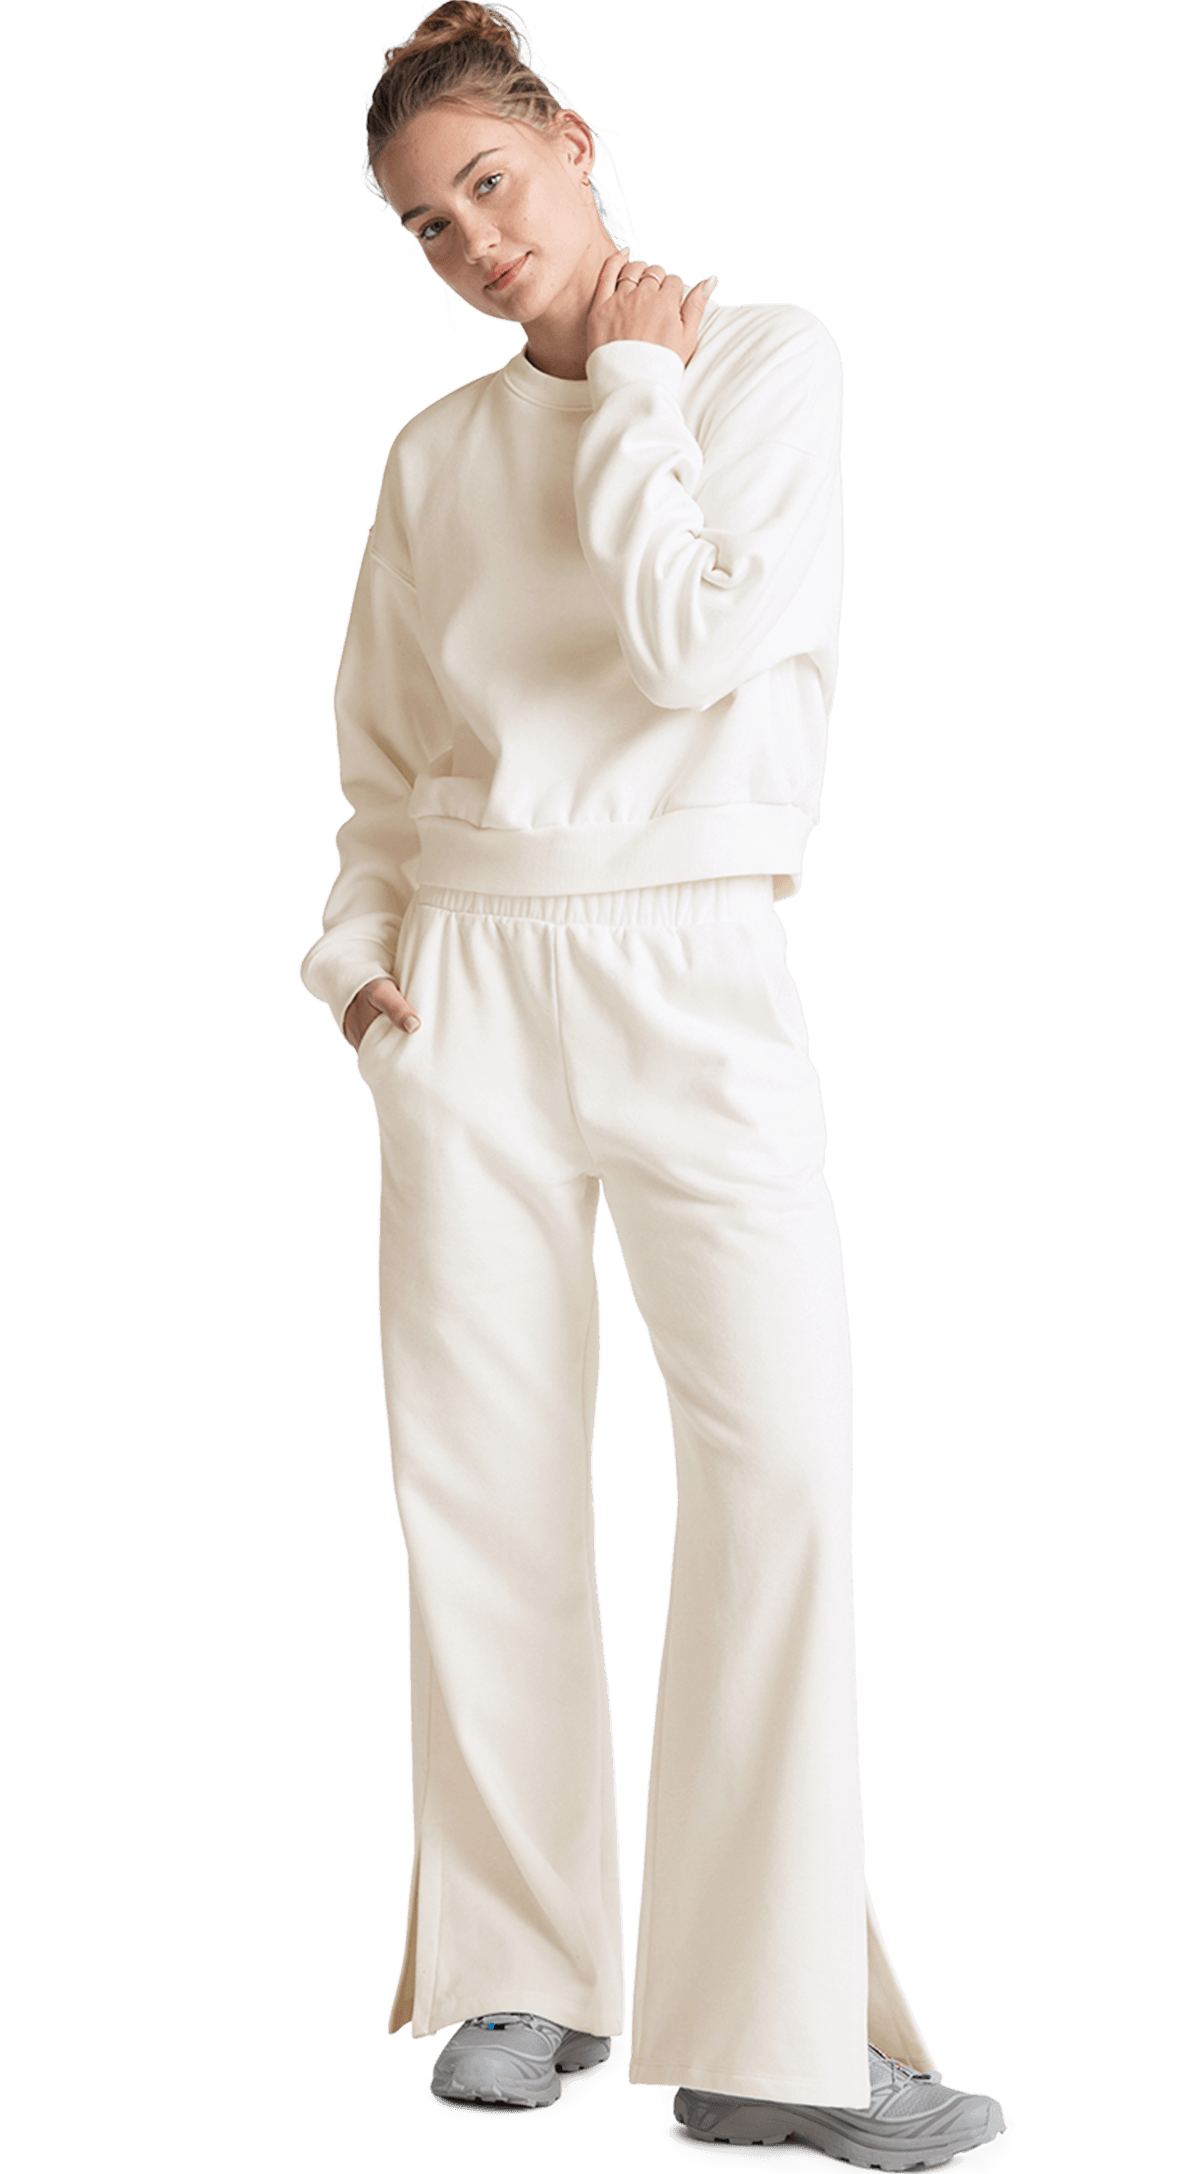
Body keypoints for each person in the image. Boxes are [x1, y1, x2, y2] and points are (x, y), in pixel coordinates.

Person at [299, 4, 1011, 2163]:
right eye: (429, 227)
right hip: (470, 983)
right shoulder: (432, 460)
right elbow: (386, 765)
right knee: (482, 1486)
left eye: (488, 184)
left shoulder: (767, 364)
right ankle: (528, 1977)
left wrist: (630, 382)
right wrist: (363, 974)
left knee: (779, 1464)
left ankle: (770, 2038)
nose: (472, 243)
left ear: (570, 136)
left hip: (696, 962)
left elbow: (696, 645)